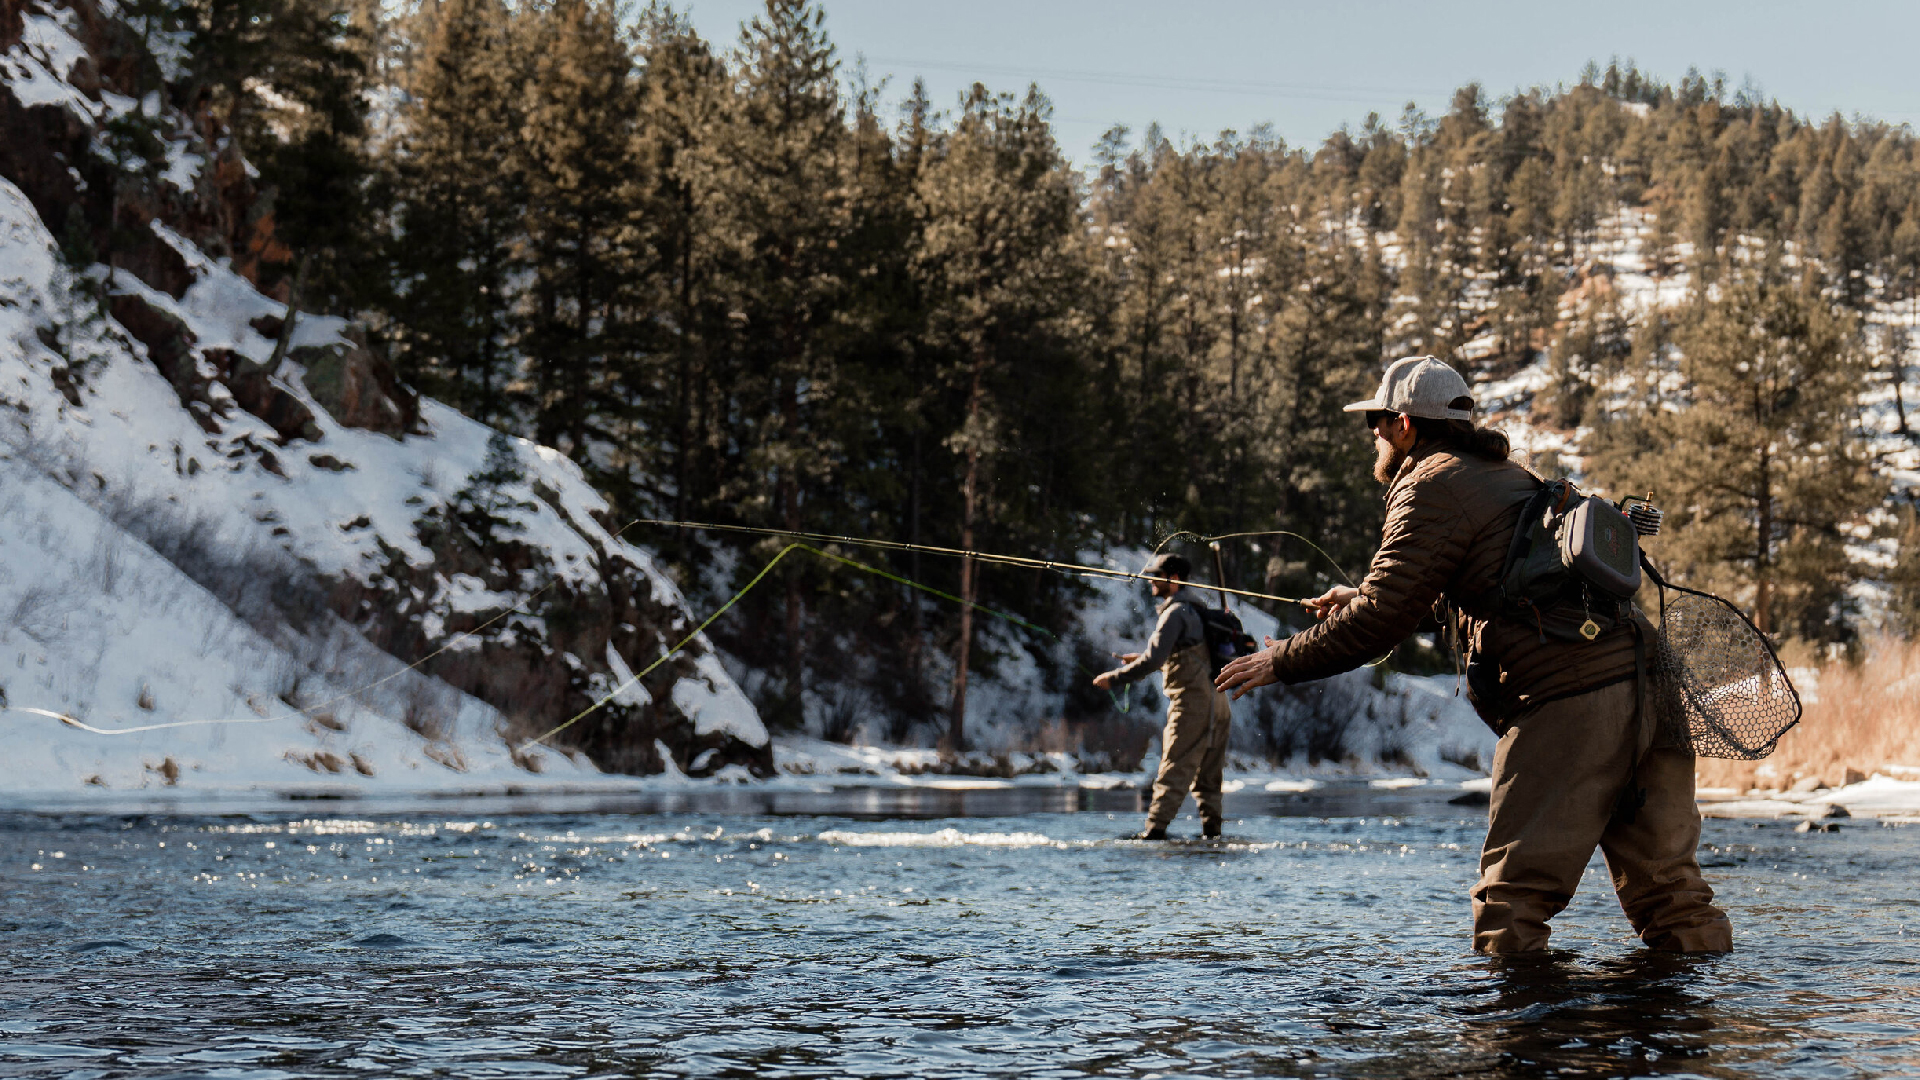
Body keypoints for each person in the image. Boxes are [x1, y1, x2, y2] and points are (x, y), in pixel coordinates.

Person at [1214, 355, 1733, 954]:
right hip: (1652, 686)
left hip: (1571, 702)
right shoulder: (1507, 475)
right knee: (1673, 898)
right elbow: (1499, 586)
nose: (1374, 436)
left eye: (1376, 422)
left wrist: (1280, 660)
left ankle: (1518, 1045)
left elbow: (1381, 621)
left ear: (1405, 422)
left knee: (1510, 906)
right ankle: (1689, 1037)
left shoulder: (1429, 483)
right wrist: (1360, 594)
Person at [1094, 553, 1232, 840]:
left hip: (1192, 706)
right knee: (1208, 778)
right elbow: (1183, 658)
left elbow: (1154, 661)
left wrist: (1115, 679)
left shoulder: (1175, 613)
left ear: (1175, 579)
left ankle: (1154, 834)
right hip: (1218, 704)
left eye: (1156, 575)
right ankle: (1213, 836)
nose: (1151, 582)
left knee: (1173, 769)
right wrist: (1144, 658)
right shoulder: (1198, 610)